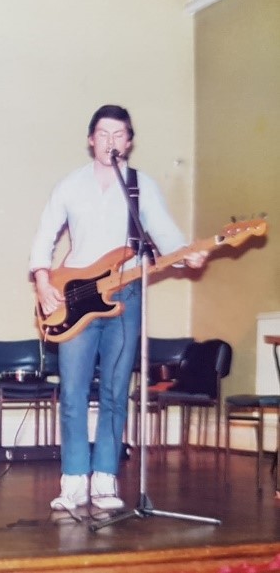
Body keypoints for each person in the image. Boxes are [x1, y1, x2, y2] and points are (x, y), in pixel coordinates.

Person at [29, 104, 207, 512]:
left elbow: (164, 234)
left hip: (125, 296)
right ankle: (74, 480)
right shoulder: (70, 186)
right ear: (91, 138)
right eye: (103, 133)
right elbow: (45, 235)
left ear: (129, 141)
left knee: (115, 391)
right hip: (74, 298)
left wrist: (187, 255)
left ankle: (105, 478)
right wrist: (43, 281)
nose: (111, 141)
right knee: (72, 391)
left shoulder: (140, 187)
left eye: (119, 134)